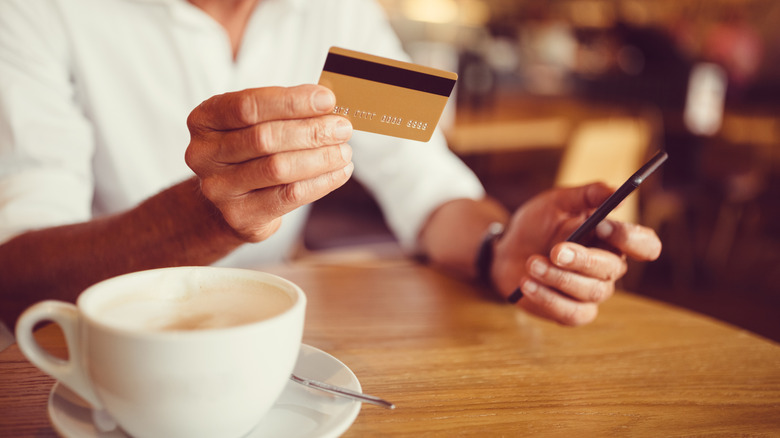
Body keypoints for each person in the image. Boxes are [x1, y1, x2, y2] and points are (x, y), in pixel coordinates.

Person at [0, 0, 661, 330]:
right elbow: (15, 273)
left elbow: (424, 184)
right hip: (93, 353)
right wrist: (204, 219)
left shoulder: (338, 11)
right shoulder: (35, 14)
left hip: (277, 347)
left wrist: (499, 246)